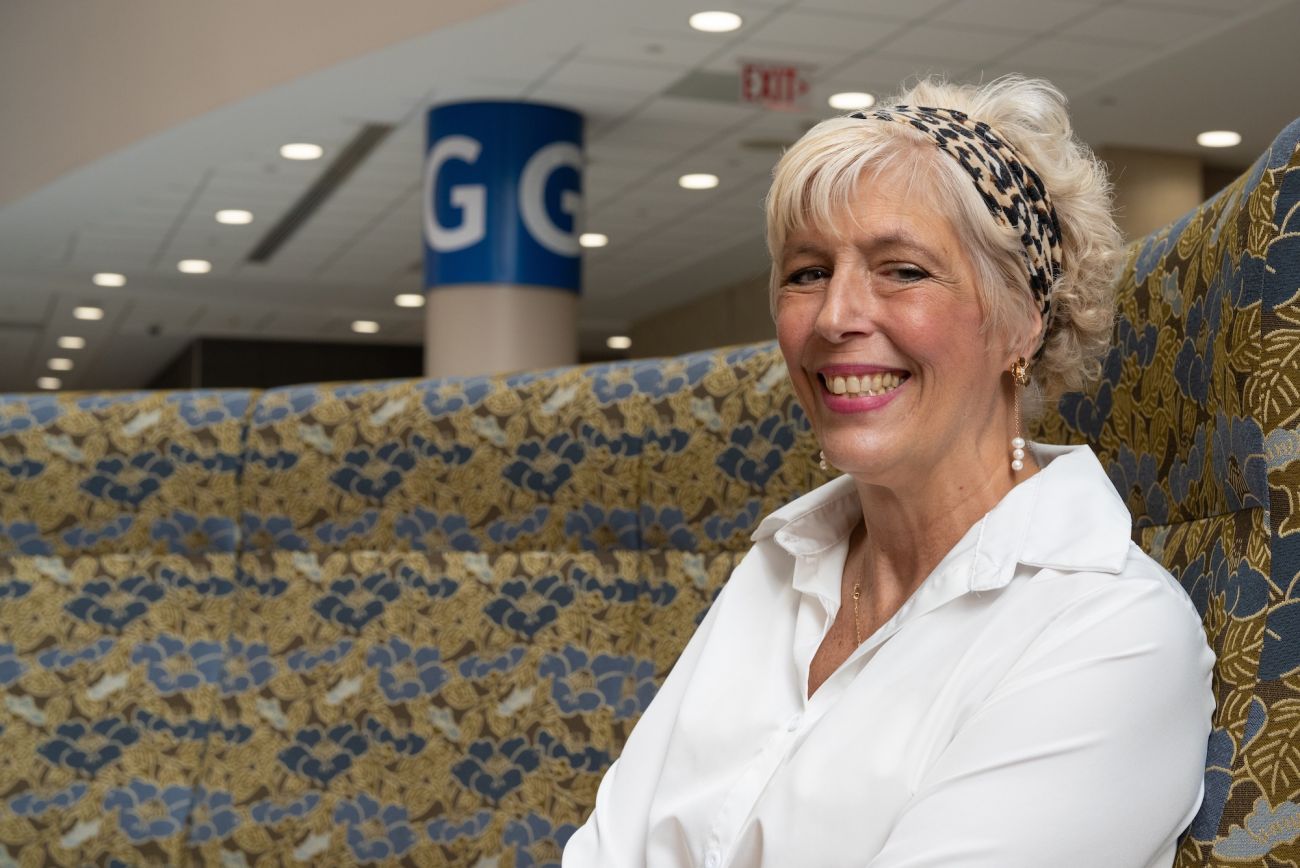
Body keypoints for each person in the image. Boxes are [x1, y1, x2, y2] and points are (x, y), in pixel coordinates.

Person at [562, 76, 1215, 868]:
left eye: (902, 270)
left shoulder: (1113, 632)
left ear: (1023, 319)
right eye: (806, 272)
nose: (835, 316)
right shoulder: (781, 563)